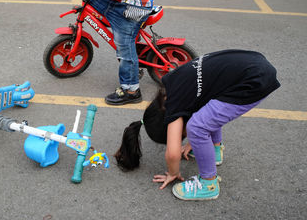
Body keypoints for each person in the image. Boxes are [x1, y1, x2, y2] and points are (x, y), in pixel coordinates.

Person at [114, 49, 280, 201]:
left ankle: (209, 183)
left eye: (181, 137)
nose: (182, 138)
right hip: (253, 63)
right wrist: (192, 142)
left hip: (253, 81)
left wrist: (173, 172)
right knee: (206, 113)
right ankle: (214, 150)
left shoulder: (174, 110)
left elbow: (172, 154)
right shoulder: (172, 85)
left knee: (197, 127)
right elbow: (203, 105)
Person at [82, 0, 156, 105]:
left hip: (134, 3)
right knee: (91, 6)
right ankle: (132, 45)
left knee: (124, 44)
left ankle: (131, 91)